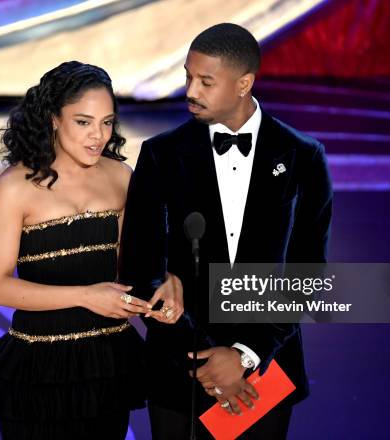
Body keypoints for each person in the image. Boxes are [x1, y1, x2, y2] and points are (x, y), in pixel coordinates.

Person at [119, 23, 333, 439]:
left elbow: (308, 273)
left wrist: (244, 355)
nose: (190, 91)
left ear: (244, 83)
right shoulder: (161, 154)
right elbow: (139, 266)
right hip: (179, 368)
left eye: (205, 81)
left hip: (266, 369)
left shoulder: (304, 157)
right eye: (187, 76)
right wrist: (207, 359)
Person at [0, 61, 183, 440]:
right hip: (38, 367)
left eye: (107, 122)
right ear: (54, 118)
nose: (98, 136)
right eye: (83, 122)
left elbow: (133, 267)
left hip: (108, 363)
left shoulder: (121, 177)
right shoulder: (15, 186)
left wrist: (164, 281)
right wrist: (86, 297)